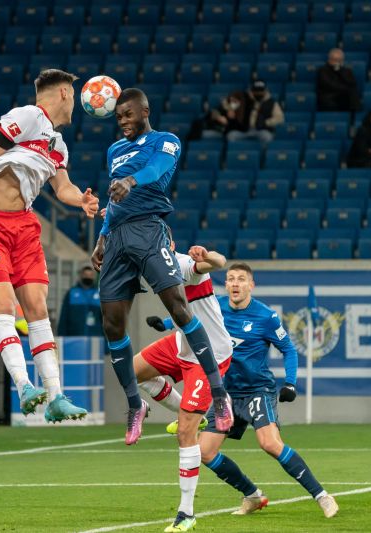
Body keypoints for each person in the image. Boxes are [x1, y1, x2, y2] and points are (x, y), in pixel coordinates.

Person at [0, 69, 97, 424]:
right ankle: (25, 385)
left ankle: (56, 395)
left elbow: (63, 188)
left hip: (24, 227)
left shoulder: (58, 144)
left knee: (38, 307)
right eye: (72, 93)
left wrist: (80, 201)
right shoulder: (26, 116)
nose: (75, 100)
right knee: (4, 302)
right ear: (62, 93)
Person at [91, 87, 234, 447]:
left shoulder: (165, 141)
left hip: (149, 229)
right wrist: (103, 235)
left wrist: (130, 180)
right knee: (111, 323)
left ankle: (218, 396)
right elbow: (114, 200)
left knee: (177, 306)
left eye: (128, 114)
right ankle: (134, 403)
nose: (122, 120)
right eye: (118, 116)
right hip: (118, 237)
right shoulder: (114, 150)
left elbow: (156, 171)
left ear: (145, 111)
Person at [201, 263, 338, 519]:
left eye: (241, 279)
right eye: (230, 279)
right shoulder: (215, 306)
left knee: (270, 443)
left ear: (251, 285)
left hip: (257, 390)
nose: (235, 284)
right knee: (205, 451)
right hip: (227, 393)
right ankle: (252, 495)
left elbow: (288, 349)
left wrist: (290, 383)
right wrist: (166, 324)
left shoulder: (266, 316)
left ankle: (322, 496)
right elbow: (191, 319)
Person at [133, 239, 231, 533]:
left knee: (186, 433)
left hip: (209, 354)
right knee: (131, 370)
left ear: (168, 243)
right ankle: (189, 413)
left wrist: (206, 255)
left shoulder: (183, 264)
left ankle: (186, 512)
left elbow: (219, 262)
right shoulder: (149, 266)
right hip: (182, 344)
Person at [226, 81, 284, 146]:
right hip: (244, 130)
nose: (258, 93)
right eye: (256, 91)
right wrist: (231, 109)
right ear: (252, 90)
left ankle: (262, 155)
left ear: (265, 90)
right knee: (231, 135)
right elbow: (228, 102)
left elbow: (280, 118)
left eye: (260, 91)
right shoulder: (244, 98)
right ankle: (235, 154)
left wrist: (266, 123)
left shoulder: (271, 103)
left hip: (261, 130)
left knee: (267, 136)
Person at [57, 265, 103, 336]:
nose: (88, 277)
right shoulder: (72, 293)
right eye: (85, 275)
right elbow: (64, 316)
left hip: (96, 337)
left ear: (93, 277)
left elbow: (105, 318)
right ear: (81, 276)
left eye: (90, 275)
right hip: (74, 336)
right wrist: (61, 335)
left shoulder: (99, 294)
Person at [316, 48, 361, 112]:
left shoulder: (347, 71)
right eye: (335, 60)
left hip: (343, 95)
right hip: (329, 95)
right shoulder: (323, 70)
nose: (337, 63)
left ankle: (355, 117)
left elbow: (352, 84)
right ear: (329, 60)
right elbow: (329, 85)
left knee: (353, 95)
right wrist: (345, 88)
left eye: (339, 60)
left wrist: (340, 71)